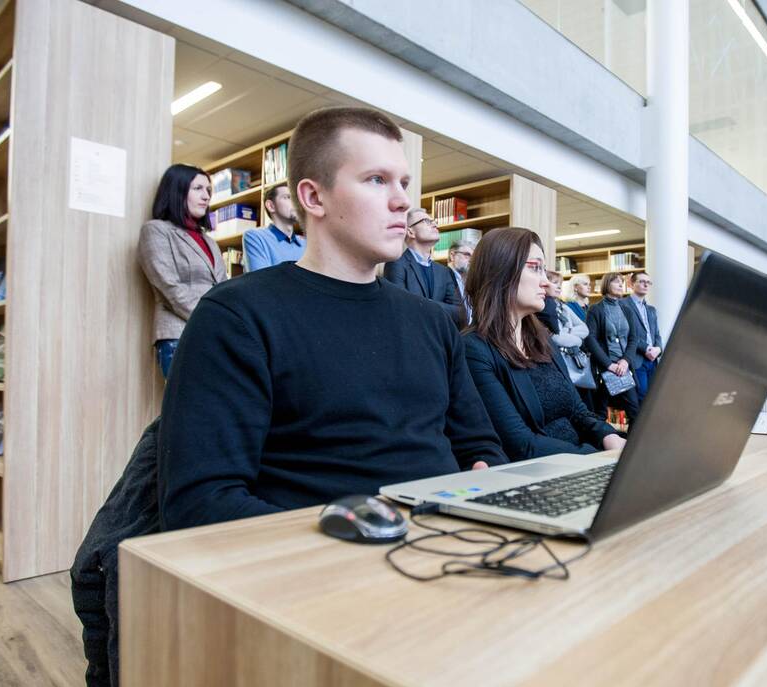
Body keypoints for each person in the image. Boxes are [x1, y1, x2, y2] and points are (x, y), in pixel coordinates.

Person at [157, 107, 507, 531]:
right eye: (377, 180)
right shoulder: (237, 316)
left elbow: (480, 446)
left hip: (454, 548)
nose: (403, 201)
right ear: (313, 197)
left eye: (404, 183)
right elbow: (201, 503)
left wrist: (486, 481)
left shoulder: (432, 322)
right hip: (320, 571)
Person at [462, 228, 624, 461]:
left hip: (579, 461)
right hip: (543, 473)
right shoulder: (474, 349)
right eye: (535, 268)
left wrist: (609, 436)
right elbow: (520, 444)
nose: (547, 283)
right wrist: (595, 457)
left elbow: (577, 411)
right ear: (502, 271)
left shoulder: (544, 340)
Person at [138, 164, 227, 378]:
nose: (206, 196)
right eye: (198, 189)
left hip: (215, 336)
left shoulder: (209, 241)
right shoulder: (157, 230)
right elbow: (169, 288)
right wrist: (211, 321)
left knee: (217, 409)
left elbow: (224, 287)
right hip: (180, 336)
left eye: (208, 190)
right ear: (176, 191)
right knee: (192, 410)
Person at [383, 207, 465, 327]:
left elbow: (459, 313)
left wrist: (427, 304)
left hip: (439, 338)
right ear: (410, 232)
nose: (434, 225)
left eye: (433, 221)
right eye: (427, 221)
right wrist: (437, 307)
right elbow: (399, 306)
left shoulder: (443, 271)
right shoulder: (396, 264)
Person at [584, 272, 643, 427]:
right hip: (604, 369)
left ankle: (631, 448)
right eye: (616, 281)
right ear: (606, 285)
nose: (620, 284)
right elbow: (590, 339)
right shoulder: (595, 310)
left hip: (623, 369)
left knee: (634, 411)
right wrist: (609, 364)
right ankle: (599, 448)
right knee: (600, 413)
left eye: (621, 282)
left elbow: (633, 339)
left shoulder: (627, 310)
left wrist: (625, 361)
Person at [242, 184, 306, 272]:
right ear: (271, 206)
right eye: (287, 197)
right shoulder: (255, 237)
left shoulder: (305, 244)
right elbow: (262, 280)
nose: (296, 202)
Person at [620, 271, 663, 398]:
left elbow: (657, 335)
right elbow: (625, 333)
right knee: (641, 397)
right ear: (632, 284)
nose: (646, 285)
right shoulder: (622, 305)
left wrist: (658, 349)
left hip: (653, 360)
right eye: (642, 281)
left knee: (655, 397)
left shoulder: (651, 310)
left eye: (648, 282)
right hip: (636, 358)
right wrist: (646, 348)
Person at [447, 239, 474, 324]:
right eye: (467, 255)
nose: (471, 260)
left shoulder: (469, 282)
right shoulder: (442, 276)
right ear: (452, 255)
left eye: (473, 257)